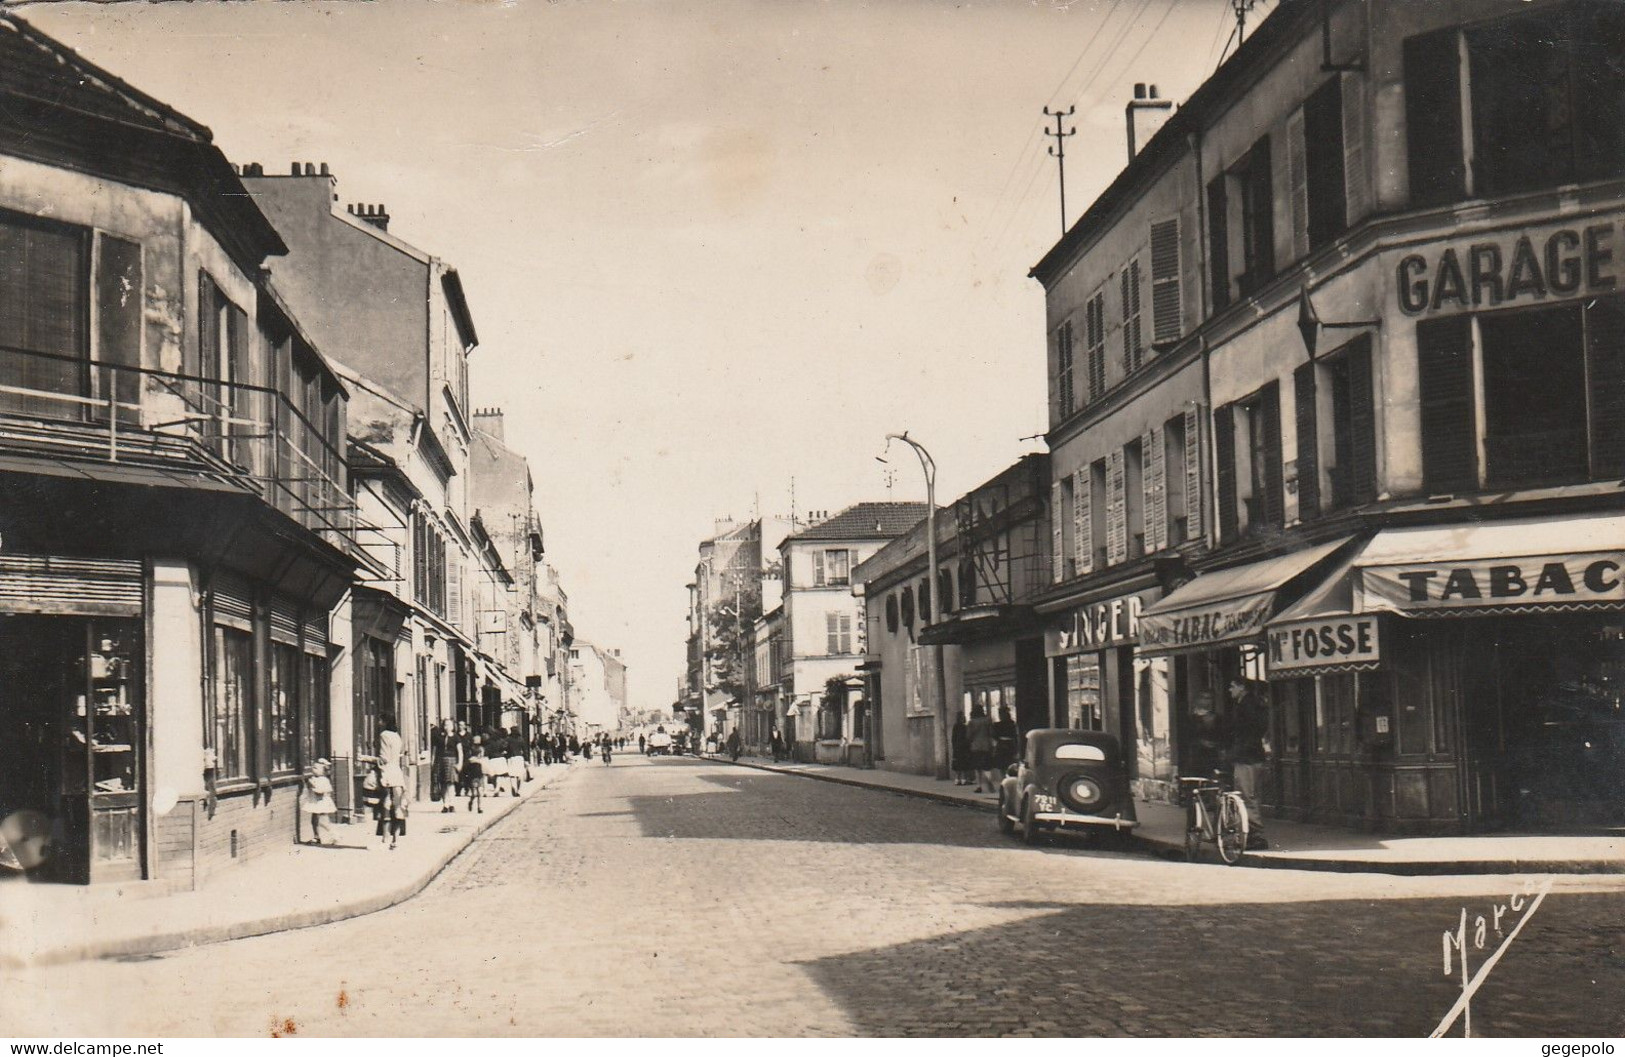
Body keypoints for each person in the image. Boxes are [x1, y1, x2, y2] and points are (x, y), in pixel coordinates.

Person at [1226, 677, 1271, 849]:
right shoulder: (1251, 703)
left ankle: (1256, 835)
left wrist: (1235, 752)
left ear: (1241, 687)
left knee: (1246, 795)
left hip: (1247, 757)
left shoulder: (1247, 705)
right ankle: (1250, 833)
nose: (1230, 690)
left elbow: (1249, 731)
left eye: (1232, 686)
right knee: (1251, 795)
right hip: (1253, 756)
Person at [377, 713, 407, 849]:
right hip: (397, 774)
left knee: (386, 806)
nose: (378, 722)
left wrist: (366, 758)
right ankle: (395, 840)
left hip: (387, 773)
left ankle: (385, 839)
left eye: (380, 719)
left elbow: (384, 758)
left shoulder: (384, 735)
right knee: (398, 807)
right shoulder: (397, 736)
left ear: (385, 721)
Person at [302, 758, 337, 846]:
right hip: (315, 802)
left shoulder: (323, 780)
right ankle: (316, 836)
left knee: (323, 821)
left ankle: (333, 836)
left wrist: (311, 784)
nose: (313, 770)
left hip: (320, 803)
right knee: (314, 820)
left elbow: (320, 793)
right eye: (313, 768)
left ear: (323, 770)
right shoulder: (315, 778)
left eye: (316, 768)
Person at [967, 702, 997, 794]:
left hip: (975, 746)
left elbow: (968, 736)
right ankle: (989, 782)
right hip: (986, 746)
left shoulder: (971, 722)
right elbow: (991, 733)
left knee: (978, 767)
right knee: (987, 766)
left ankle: (979, 785)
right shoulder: (987, 720)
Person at [433, 719, 462, 814]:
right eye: (445, 725)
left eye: (449, 725)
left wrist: (459, 763)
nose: (447, 727)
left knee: (451, 783)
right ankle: (445, 804)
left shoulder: (456, 737)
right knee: (443, 783)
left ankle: (452, 804)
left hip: (451, 760)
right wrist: (433, 762)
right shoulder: (439, 737)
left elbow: (460, 752)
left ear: (453, 726)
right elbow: (435, 751)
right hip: (441, 760)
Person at [993, 705, 1019, 775]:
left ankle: (1003, 779)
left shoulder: (997, 725)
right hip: (1010, 744)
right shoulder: (1012, 724)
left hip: (1001, 745)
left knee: (1002, 765)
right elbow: (1015, 735)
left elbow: (994, 736)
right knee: (1010, 763)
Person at [464, 734, 487, 814]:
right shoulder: (470, 749)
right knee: (474, 793)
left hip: (480, 772)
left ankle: (479, 807)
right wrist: (477, 760)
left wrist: (477, 760)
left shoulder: (481, 749)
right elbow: (469, 760)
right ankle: (471, 801)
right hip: (472, 773)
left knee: (480, 791)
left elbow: (482, 759)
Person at [950, 713, 971, 786]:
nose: (964, 718)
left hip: (957, 747)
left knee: (957, 763)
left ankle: (957, 779)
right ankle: (964, 779)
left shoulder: (955, 726)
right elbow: (967, 738)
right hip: (964, 747)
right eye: (963, 717)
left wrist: (954, 746)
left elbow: (953, 738)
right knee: (964, 763)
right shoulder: (965, 727)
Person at [506, 727, 528, 794]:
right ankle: (518, 790)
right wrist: (526, 759)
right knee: (519, 775)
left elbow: (506, 749)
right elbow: (525, 750)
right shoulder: (521, 739)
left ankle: (513, 787)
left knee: (512, 775)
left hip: (511, 758)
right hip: (519, 758)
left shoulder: (508, 739)